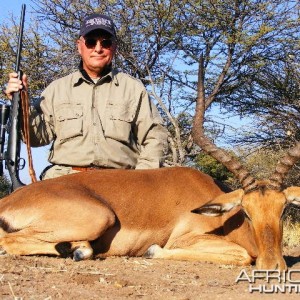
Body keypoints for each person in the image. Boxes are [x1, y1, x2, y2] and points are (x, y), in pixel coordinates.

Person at [5, 13, 168, 179]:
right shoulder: (57, 89)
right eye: (91, 42)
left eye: (106, 42)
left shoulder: (133, 88)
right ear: (79, 46)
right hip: (65, 179)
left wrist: (141, 178)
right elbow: (37, 138)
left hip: (119, 180)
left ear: (114, 47)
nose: (98, 48)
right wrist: (22, 104)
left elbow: (155, 136)